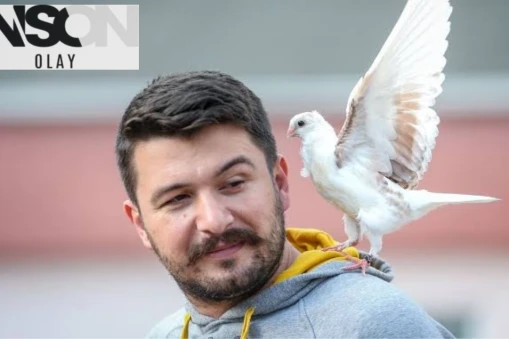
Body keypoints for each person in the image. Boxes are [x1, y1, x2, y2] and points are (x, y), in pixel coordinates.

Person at [115, 70, 455, 339]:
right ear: (140, 225)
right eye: (178, 199)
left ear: (280, 183)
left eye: (233, 184)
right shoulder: (162, 335)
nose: (214, 221)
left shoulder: (375, 324)